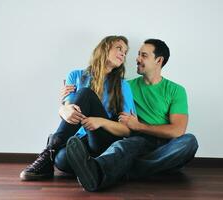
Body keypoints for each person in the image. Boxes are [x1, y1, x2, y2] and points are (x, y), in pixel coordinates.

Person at [65, 39, 199, 191]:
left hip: (167, 145)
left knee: (189, 142)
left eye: (144, 55)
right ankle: (101, 172)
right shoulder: (126, 86)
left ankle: (121, 170)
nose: (137, 59)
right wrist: (66, 101)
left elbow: (177, 131)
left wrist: (139, 126)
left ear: (159, 60)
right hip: (138, 141)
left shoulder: (176, 90)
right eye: (138, 55)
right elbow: (99, 105)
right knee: (123, 145)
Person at [19, 35, 136, 180]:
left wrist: (101, 121)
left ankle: (49, 150)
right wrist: (62, 108)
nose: (123, 54)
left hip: (103, 140)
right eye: (119, 48)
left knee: (85, 93)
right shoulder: (75, 76)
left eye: (125, 52)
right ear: (104, 49)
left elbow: (127, 130)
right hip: (79, 140)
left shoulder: (123, 85)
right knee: (61, 160)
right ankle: (91, 166)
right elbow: (69, 111)